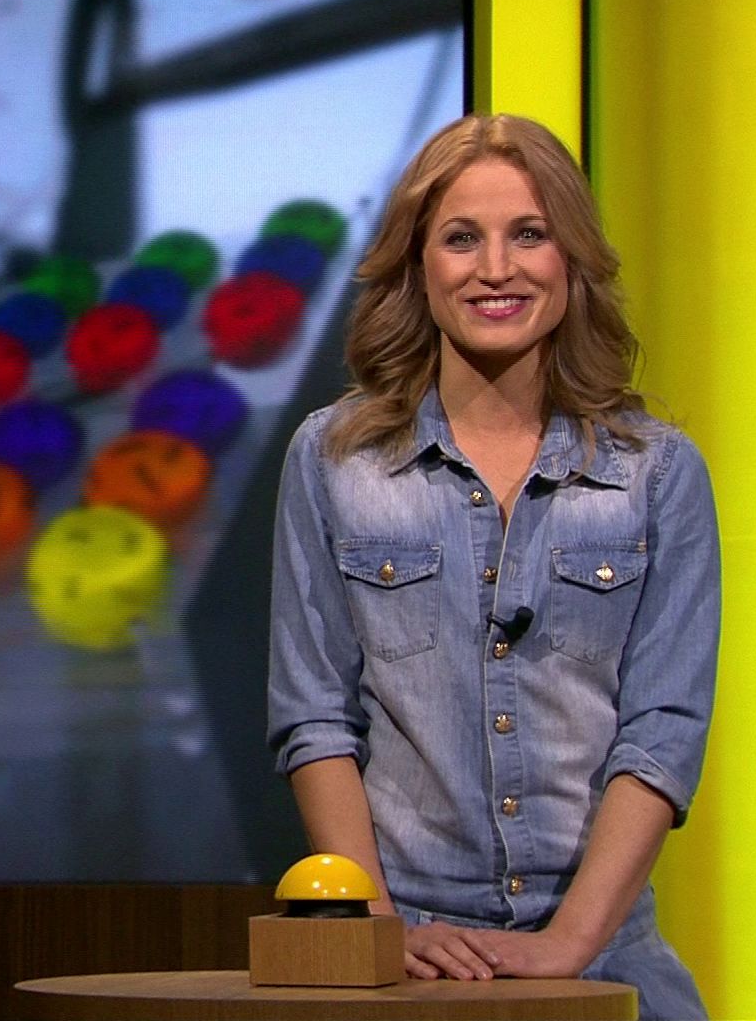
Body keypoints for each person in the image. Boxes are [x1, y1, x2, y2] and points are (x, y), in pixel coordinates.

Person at [266, 113, 717, 1020]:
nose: (497, 268)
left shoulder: (657, 473)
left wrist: (567, 946)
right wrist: (375, 930)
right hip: (405, 948)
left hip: (601, 950)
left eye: (530, 234)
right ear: (418, 264)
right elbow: (314, 717)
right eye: (462, 238)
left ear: (571, 258)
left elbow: (663, 731)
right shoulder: (334, 460)